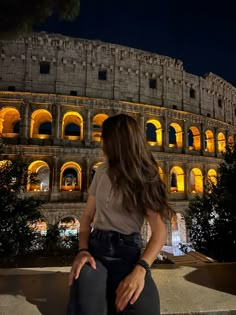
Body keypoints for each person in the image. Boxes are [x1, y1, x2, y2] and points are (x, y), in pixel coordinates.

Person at [67, 114, 174, 315]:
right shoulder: (101, 171)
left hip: (129, 256)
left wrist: (141, 268)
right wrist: (82, 250)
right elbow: (87, 217)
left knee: (144, 310)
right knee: (86, 307)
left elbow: (159, 233)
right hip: (96, 252)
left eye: (104, 138)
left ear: (115, 142)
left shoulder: (146, 178)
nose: (101, 143)